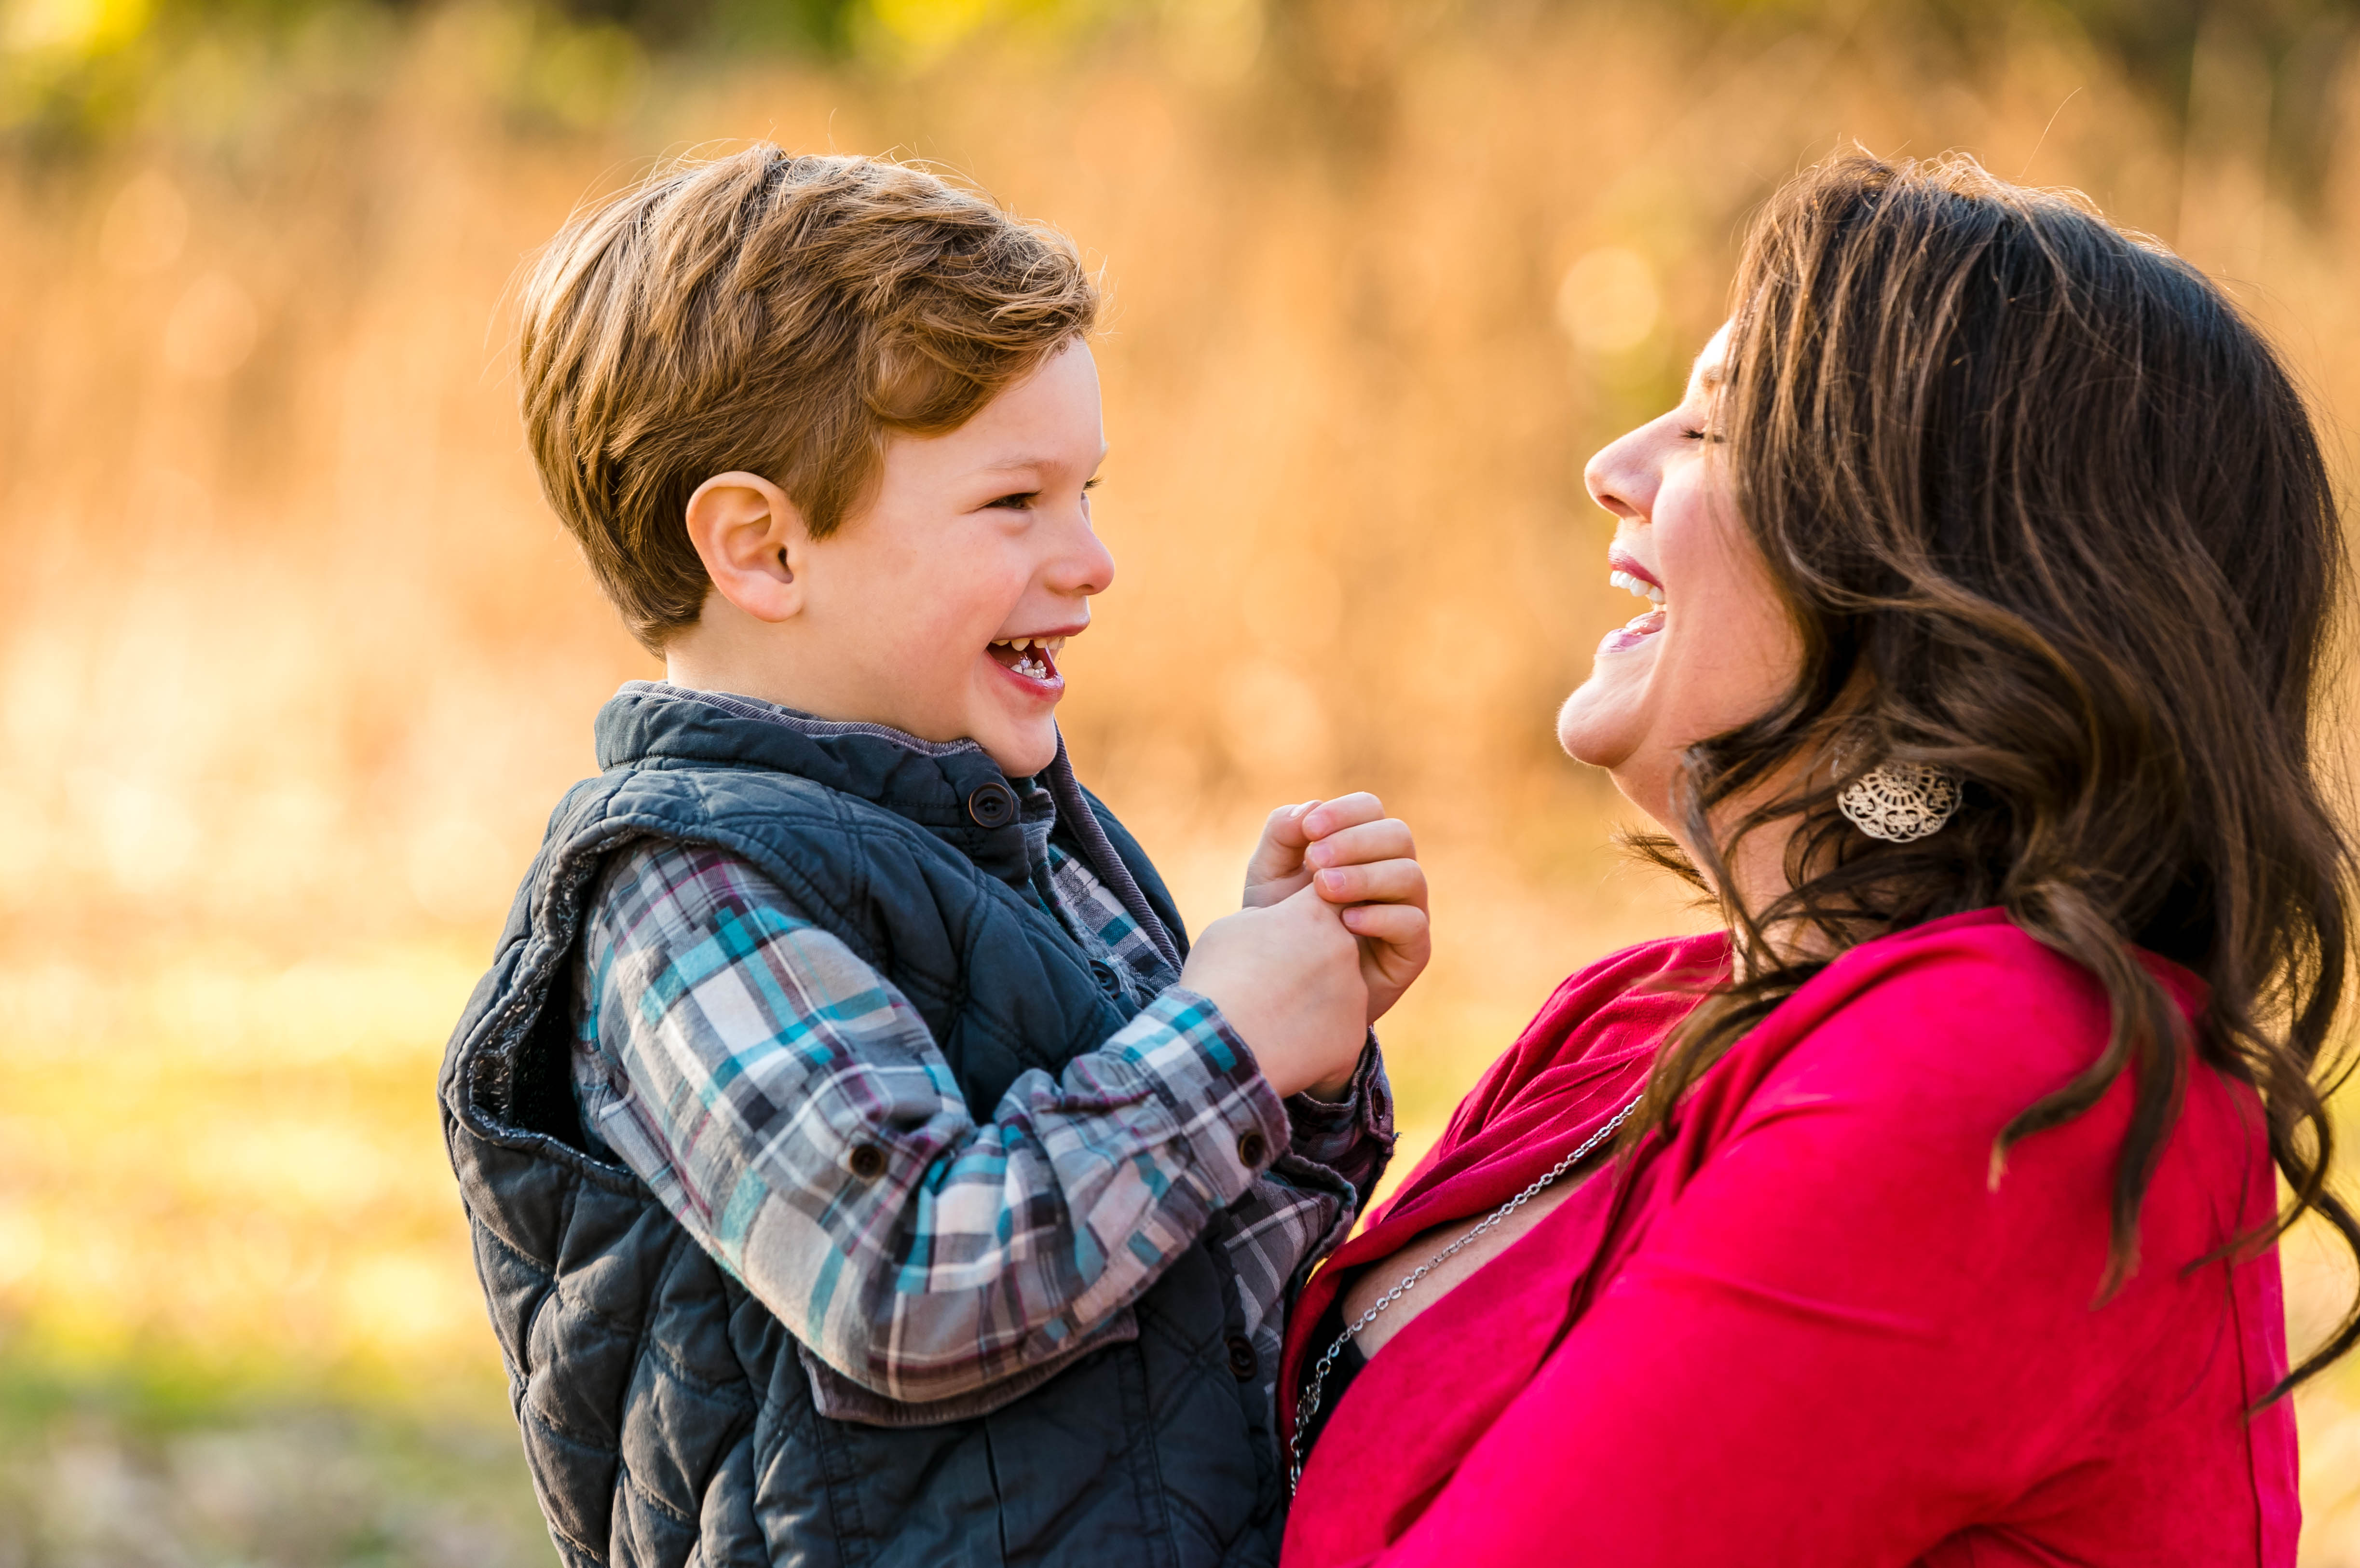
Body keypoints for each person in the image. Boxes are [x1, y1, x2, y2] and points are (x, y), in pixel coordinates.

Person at [1279, 150, 2360, 1567]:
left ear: (1936, 565)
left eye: (1714, 429)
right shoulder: (1632, 1019)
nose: (1611, 469)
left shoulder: (2019, 1073)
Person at [438, 146, 1432, 1568]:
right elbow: (911, 1280)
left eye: (1090, 492)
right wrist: (1225, 1042)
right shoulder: (683, 896)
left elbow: (1189, 1281)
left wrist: (1305, 1054)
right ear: (763, 551)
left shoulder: (1029, 836)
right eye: (1014, 504)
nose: (1092, 560)